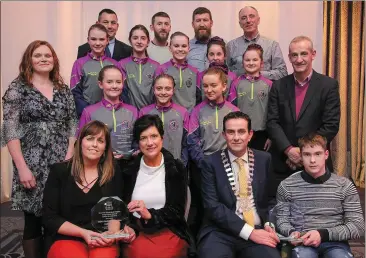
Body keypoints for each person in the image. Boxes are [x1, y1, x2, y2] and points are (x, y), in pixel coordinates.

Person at [1, 40, 77, 257]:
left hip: (61, 162)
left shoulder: (63, 90)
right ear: (29, 60)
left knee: (58, 215)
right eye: (38, 55)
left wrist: (70, 154)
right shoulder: (18, 89)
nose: (44, 59)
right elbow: (10, 130)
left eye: (48, 55)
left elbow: (72, 122)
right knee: (33, 221)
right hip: (31, 164)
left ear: (54, 60)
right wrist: (21, 167)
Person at [43, 120, 136, 258]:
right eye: (90, 139)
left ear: (105, 147)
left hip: (102, 237)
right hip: (68, 237)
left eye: (100, 141)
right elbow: (49, 218)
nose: (94, 144)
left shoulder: (113, 172)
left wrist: (114, 232)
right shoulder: (59, 171)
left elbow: (116, 211)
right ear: (80, 142)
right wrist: (83, 233)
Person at [266, 36, 340, 204]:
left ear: (313, 54)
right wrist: (288, 150)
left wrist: (304, 152)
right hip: (282, 163)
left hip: (315, 163)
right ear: (289, 57)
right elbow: (272, 122)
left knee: (316, 214)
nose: (299, 59)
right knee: (280, 214)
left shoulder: (328, 86)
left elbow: (331, 125)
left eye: (303, 54)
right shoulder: (278, 85)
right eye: (294, 55)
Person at [197, 111, 281, 258]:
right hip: (220, 232)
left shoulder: (264, 159)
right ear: (224, 135)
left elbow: (272, 199)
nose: (236, 137)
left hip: (258, 228)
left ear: (250, 135)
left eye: (241, 132)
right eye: (231, 132)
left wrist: (269, 224)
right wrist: (250, 233)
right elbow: (212, 206)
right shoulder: (210, 163)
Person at [276, 133, 364, 258]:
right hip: (302, 243)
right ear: (301, 156)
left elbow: (358, 226)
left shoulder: (345, 186)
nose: (312, 160)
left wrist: (322, 234)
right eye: (307, 154)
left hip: (335, 244)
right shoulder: (286, 186)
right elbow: (282, 220)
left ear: (326, 155)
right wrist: (291, 232)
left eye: (318, 154)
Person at [121, 114, 192, 257]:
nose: (150, 142)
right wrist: (127, 226)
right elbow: (121, 207)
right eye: (143, 138)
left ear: (162, 138)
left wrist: (150, 215)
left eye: (154, 136)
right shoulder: (127, 169)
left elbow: (177, 211)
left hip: (168, 228)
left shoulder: (176, 168)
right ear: (138, 143)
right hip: (136, 230)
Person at [187, 67, 239, 237]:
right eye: (205, 86)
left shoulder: (234, 111)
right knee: (203, 207)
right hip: (203, 167)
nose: (209, 90)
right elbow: (192, 140)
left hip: (228, 167)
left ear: (224, 86)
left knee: (227, 205)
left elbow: (239, 141)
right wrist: (205, 163)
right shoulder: (197, 111)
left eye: (213, 85)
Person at [76, 65, 138, 159]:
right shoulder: (89, 112)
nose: (114, 86)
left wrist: (136, 151)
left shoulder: (133, 111)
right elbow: (80, 142)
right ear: (101, 84)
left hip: (128, 165)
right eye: (109, 82)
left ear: (123, 84)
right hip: (99, 165)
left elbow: (137, 139)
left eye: (118, 82)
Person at [229, 44, 272, 151]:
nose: (251, 63)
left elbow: (274, 112)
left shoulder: (269, 84)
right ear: (243, 63)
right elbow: (231, 110)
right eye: (247, 60)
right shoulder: (236, 84)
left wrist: (271, 136)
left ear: (261, 63)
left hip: (263, 133)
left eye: (255, 60)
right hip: (241, 133)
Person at [139, 74, 189, 166]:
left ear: (173, 90)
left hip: (175, 164)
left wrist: (182, 163)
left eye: (167, 88)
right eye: (159, 88)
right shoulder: (144, 112)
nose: (163, 92)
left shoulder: (182, 112)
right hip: (150, 165)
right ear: (153, 90)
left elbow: (186, 142)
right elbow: (139, 140)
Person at [71, 24, 119, 117]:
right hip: (89, 115)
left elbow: (120, 91)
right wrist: (89, 111)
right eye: (93, 39)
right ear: (88, 40)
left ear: (107, 41)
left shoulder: (115, 64)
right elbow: (75, 93)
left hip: (112, 114)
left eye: (101, 39)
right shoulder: (79, 63)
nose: (97, 43)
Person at [226, 6, 287, 79]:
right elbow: (225, 73)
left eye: (251, 16)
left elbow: (282, 72)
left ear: (258, 20)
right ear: (240, 23)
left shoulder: (272, 46)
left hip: (266, 89)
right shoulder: (231, 46)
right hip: (238, 89)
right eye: (244, 18)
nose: (248, 20)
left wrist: (258, 74)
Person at [154, 31, 201, 112]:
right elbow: (156, 95)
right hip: (168, 115)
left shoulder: (195, 71)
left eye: (184, 46)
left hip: (189, 116)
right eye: (176, 46)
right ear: (170, 48)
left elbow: (199, 98)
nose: (180, 49)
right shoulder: (162, 69)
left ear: (188, 48)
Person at [118, 25, 160, 110]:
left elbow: (158, 94)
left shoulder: (156, 66)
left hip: (150, 114)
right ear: (130, 41)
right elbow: (121, 92)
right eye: (135, 38)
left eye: (143, 38)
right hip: (128, 114)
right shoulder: (121, 64)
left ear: (148, 42)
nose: (139, 41)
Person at [187, 7, 214, 72]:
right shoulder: (186, 47)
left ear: (211, 23)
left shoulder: (223, 44)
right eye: (198, 21)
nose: (202, 24)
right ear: (193, 24)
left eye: (205, 20)